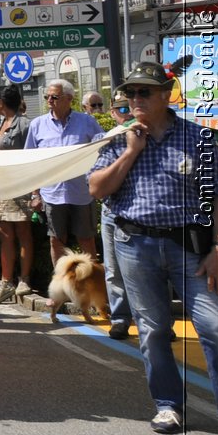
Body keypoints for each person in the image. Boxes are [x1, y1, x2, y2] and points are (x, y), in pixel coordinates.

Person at [90, 62, 218, 434]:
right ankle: (168, 406)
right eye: (130, 93)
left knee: (215, 325)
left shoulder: (200, 139)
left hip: (189, 247)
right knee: (152, 329)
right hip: (135, 245)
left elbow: (217, 195)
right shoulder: (117, 139)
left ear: (166, 95)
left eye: (143, 92)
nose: (134, 99)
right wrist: (130, 152)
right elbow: (97, 189)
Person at [26, 79, 104, 263]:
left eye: (54, 97)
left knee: (86, 240)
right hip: (52, 193)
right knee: (56, 241)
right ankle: (61, 287)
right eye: (47, 97)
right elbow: (31, 161)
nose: (49, 101)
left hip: (82, 193)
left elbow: (103, 149)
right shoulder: (37, 125)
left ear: (69, 98)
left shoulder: (87, 121)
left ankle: (90, 286)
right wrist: (34, 194)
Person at [0, 85, 36, 303]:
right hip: (2, 185)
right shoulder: (0, 125)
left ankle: (24, 279)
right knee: (4, 234)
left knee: (23, 232)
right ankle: (6, 283)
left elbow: (34, 155)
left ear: (0, 102)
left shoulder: (25, 124)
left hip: (21, 184)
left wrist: (35, 191)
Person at [98, 87, 136, 339]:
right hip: (111, 209)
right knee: (113, 270)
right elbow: (96, 181)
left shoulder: (145, 133)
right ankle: (120, 318)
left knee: (152, 270)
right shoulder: (109, 138)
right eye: (121, 109)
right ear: (112, 112)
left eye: (129, 107)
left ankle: (161, 323)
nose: (126, 113)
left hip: (137, 212)